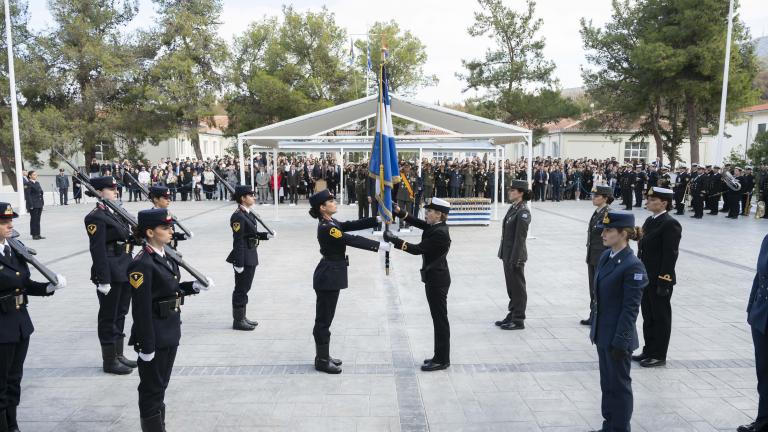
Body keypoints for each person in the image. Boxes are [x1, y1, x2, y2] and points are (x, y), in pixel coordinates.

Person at [128, 209, 212, 431]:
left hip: (170, 330)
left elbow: (170, 290)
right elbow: (141, 309)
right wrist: (146, 345)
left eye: (170, 227)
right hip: (154, 335)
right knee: (151, 388)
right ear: (150, 232)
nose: (171, 231)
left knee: (161, 385)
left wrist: (193, 287)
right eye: (165, 228)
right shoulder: (142, 263)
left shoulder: (167, 255)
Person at [0, 202, 65, 431]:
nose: (10, 225)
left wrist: (48, 287)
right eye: (4, 222)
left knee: (14, 379)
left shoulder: (13, 248)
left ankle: (12, 424)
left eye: (10, 221)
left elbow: (24, 283)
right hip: (2, 329)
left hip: (20, 325)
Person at [308, 189, 388, 374]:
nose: (334, 202)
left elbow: (350, 225)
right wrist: (380, 246)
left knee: (326, 318)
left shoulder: (331, 221)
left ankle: (324, 355)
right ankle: (322, 360)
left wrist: (377, 219)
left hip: (331, 274)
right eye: (330, 201)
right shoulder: (327, 227)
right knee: (323, 320)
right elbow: (350, 239)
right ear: (322, 208)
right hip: (328, 276)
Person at [589, 210, 647, 432]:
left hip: (618, 338)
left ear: (624, 233)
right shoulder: (607, 256)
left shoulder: (633, 265)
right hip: (603, 334)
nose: (603, 234)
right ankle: (609, 425)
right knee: (607, 384)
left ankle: (620, 428)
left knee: (619, 386)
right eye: (603, 230)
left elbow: (630, 309)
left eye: (609, 230)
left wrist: (621, 340)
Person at [384, 198, 452, 372]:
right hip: (434, 277)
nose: (426, 214)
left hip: (437, 281)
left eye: (429, 211)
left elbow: (417, 249)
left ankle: (442, 359)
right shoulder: (436, 226)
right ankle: (439, 356)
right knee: (438, 319)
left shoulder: (440, 233)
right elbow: (419, 223)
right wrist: (400, 212)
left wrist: (395, 240)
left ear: (439, 214)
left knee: (440, 321)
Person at [84, 176, 137, 375]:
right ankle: (109, 360)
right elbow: (97, 250)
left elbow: (126, 237)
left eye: (116, 188)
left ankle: (119, 354)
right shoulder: (95, 217)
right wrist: (103, 279)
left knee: (121, 313)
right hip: (111, 271)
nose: (115, 192)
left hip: (125, 268)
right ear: (99, 192)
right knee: (109, 316)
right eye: (111, 189)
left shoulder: (115, 211)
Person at [633, 187, 682, 368]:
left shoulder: (670, 224)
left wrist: (664, 280)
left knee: (660, 317)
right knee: (648, 316)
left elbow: (671, 255)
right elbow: (643, 246)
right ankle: (648, 350)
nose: (648, 202)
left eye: (653, 200)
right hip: (646, 277)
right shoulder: (650, 220)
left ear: (664, 203)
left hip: (660, 279)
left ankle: (659, 355)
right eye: (649, 199)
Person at [226, 185, 270, 331]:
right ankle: (238, 321)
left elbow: (251, 234)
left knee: (245, 287)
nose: (254, 197)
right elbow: (238, 241)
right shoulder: (238, 216)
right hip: (243, 257)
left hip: (250, 253)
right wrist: (239, 263)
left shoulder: (248, 213)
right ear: (243, 198)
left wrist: (266, 235)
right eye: (250, 195)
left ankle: (242, 317)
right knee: (241, 289)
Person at [739, 234, 768, 432]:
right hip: (762, 315)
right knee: (764, 371)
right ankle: (763, 420)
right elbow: (759, 276)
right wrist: (751, 308)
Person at [495, 180, 532, 330]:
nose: (510, 192)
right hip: (508, 254)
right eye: (510, 190)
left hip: (515, 256)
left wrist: (515, 258)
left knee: (518, 288)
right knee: (511, 287)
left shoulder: (523, 211)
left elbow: (520, 238)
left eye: (513, 190)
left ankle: (518, 319)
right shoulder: (514, 207)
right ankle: (512, 313)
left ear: (521, 193)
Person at [582, 185, 613, 326]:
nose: (593, 198)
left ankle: (599, 318)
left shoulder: (608, 214)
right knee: (593, 288)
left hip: (601, 256)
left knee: (600, 289)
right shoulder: (598, 212)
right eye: (593, 195)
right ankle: (593, 315)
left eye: (597, 196)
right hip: (593, 256)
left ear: (605, 198)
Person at [23, 171, 45, 240]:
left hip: (39, 204)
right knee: (33, 220)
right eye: (34, 174)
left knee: (38, 220)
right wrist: (30, 205)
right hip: (33, 204)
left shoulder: (37, 183)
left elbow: (40, 192)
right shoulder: (27, 184)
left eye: (36, 174)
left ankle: (38, 234)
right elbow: (28, 195)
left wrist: (42, 203)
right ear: (30, 176)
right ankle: (34, 234)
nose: (36, 176)